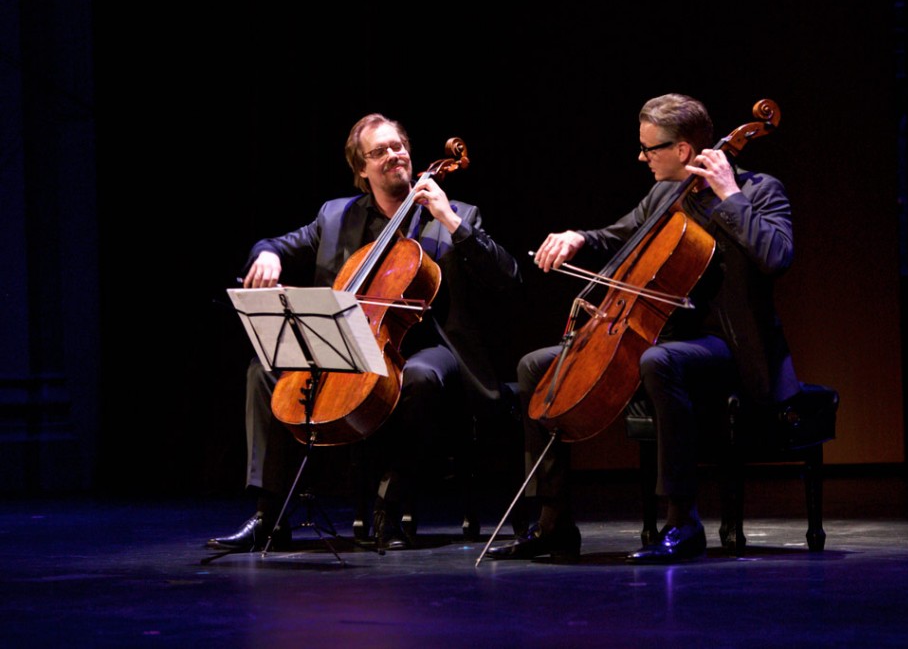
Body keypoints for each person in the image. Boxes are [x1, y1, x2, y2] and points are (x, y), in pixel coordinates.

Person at [485, 93, 801, 564]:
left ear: (684, 150)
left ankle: (682, 521)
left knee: (659, 361)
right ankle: (553, 523)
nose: (641, 157)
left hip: (727, 346)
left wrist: (728, 195)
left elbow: (777, 256)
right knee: (535, 367)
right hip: (658, 336)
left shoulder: (759, 191)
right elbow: (620, 234)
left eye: (649, 148)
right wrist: (578, 237)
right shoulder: (663, 194)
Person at [208, 113, 522, 553]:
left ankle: (389, 510)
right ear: (361, 169)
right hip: (360, 341)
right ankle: (269, 514)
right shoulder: (335, 216)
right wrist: (267, 256)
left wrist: (449, 218)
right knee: (263, 370)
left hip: (432, 347)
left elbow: (506, 277)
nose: (394, 155)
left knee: (419, 376)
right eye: (380, 151)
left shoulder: (456, 213)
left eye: (399, 146)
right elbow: (277, 244)